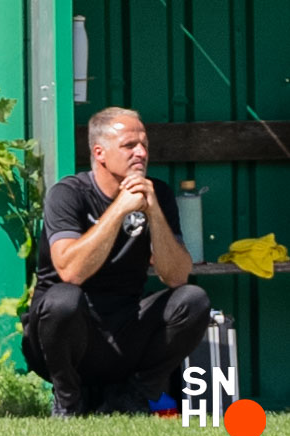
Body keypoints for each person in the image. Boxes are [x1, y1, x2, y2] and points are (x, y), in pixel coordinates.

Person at [21, 107, 211, 417]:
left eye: (144, 144)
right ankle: (68, 401)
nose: (141, 153)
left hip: (124, 330)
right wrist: (119, 209)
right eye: (129, 145)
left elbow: (177, 276)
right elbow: (70, 272)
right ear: (100, 153)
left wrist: (154, 213)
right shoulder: (67, 194)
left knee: (193, 300)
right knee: (63, 299)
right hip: (63, 337)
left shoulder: (157, 193)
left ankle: (134, 397)